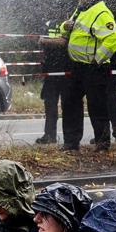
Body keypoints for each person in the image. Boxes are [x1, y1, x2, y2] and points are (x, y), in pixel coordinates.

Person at [62, 0, 116, 152]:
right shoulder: (80, 10)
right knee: (70, 103)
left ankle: (102, 144)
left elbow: (114, 38)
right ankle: (71, 143)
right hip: (77, 67)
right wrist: (64, 27)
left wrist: (98, 59)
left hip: (94, 68)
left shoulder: (101, 13)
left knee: (97, 106)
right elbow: (68, 28)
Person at [35, 16, 71, 145]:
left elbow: (64, 42)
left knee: (68, 105)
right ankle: (50, 135)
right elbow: (39, 41)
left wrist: (46, 41)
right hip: (50, 70)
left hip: (66, 70)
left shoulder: (69, 22)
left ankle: (69, 138)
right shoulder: (48, 22)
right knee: (50, 104)